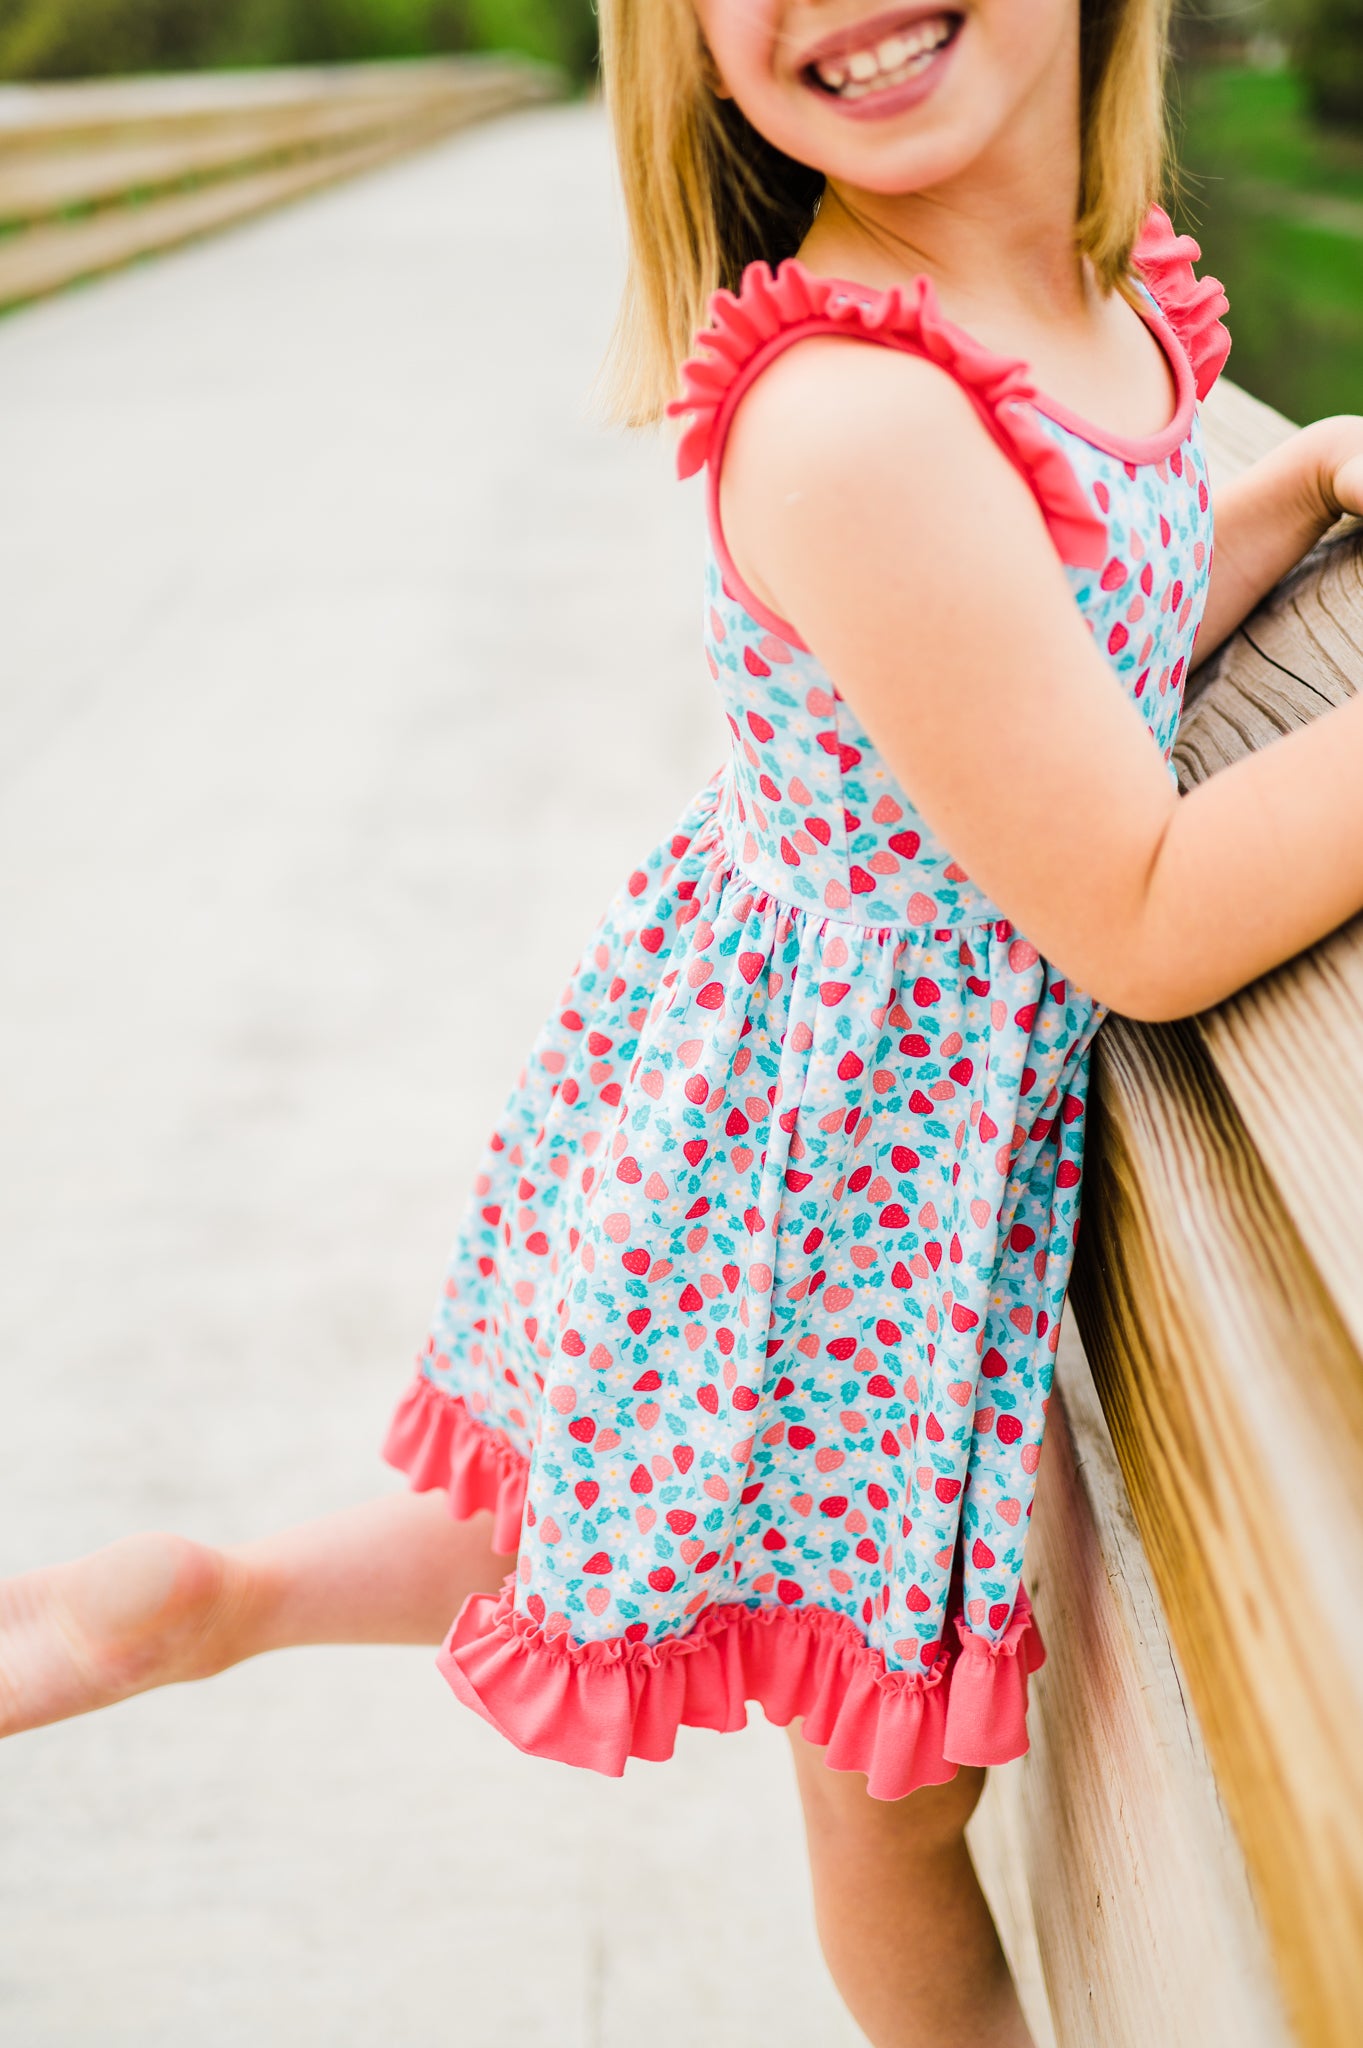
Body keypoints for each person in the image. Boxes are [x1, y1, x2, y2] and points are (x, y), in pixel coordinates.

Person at [4, 3, 1363, 2043]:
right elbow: (1144, 911)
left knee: (603, 1501)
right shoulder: (856, 415)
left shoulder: (1071, 307)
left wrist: (1296, 484)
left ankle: (226, 1600)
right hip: (843, 1178)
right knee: (892, 1807)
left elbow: (1058, 651)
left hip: (814, 1096)